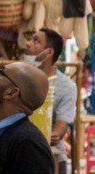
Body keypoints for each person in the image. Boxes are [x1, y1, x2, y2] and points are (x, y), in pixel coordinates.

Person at [24, 28, 77, 162]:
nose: (28, 44)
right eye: (31, 39)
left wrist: (53, 135)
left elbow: (61, 126)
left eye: (36, 41)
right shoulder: (20, 79)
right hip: (21, 154)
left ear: (49, 53)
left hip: (50, 158)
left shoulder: (67, 87)